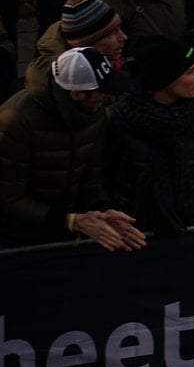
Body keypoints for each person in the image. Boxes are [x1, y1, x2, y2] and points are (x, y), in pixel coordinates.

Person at [0, 47, 144, 250]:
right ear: (77, 94)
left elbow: (92, 178)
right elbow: (8, 198)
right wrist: (70, 220)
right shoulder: (16, 120)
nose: (107, 98)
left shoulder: (94, 113)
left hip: (66, 233)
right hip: (18, 242)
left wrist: (104, 210)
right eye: (102, 92)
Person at [105, 35, 194, 238]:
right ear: (164, 80)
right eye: (190, 71)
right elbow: (106, 180)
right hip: (135, 237)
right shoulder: (119, 119)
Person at [35, 0, 127, 64]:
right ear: (86, 44)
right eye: (111, 34)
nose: (124, 37)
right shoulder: (68, 84)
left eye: (119, 28)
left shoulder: (113, 65)